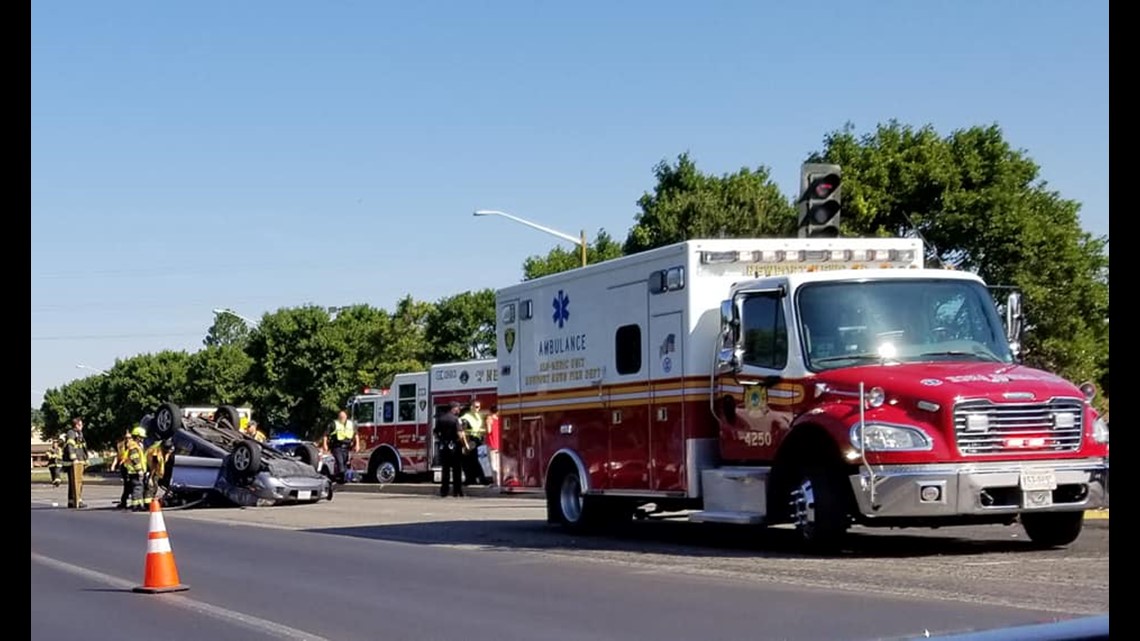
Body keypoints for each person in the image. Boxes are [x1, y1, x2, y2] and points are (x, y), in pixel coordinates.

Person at [434, 401, 466, 497]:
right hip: (455, 447)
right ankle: (457, 491)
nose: (459, 410)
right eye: (458, 408)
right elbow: (460, 434)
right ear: (454, 408)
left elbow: (435, 432)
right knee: (456, 470)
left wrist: (441, 439)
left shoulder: (441, 419)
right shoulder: (456, 419)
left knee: (445, 469)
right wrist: (464, 445)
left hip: (444, 447)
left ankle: (444, 491)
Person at [321, 410, 359, 484]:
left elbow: (356, 435)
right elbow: (325, 435)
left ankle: (341, 479)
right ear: (338, 417)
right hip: (337, 447)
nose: (342, 418)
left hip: (346, 448)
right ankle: (340, 477)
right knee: (340, 463)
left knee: (344, 463)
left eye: (343, 416)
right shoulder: (334, 424)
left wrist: (357, 445)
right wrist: (325, 445)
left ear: (346, 417)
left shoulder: (351, 424)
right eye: (341, 416)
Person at [459, 400, 489, 485]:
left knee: (472, 461)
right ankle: (474, 479)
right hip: (469, 440)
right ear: (471, 407)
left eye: (479, 407)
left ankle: (475, 479)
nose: (477, 409)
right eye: (476, 407)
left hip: (476, 440)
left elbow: (478, 428)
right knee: (469, 461)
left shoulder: (478, 416)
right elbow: (463, 431)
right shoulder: (466, 417)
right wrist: (465, 444)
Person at [62, 417, 89, 509]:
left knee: (78, 482)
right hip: (73, 462)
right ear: (76, 425)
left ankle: (74, 500)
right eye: (80, 425)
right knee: (75, 482)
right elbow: (70, 446)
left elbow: (83, 448)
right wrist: (74, 459)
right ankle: (75, 500)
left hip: (80, 461)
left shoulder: (80, 434)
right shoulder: (71, 433)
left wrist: (86, 459)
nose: (82, 426)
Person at [123, 426, 148, 512]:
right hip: (135, 472)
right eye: (141, 437)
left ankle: (138, 504)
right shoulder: (134, 446)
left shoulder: (135, 445)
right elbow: (135, 459)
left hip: (134, 472)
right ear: (137, 437)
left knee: (139, 488)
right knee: (137, 488)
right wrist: (139, 470)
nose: (142, 439)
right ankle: (136, 505)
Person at [144, 438, 173, 504]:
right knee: (152, 486)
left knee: (155, 485)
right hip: (150, 468)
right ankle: (147, 503)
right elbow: (154, 466)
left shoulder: (167, 448)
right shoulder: (156, 454)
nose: (169, 451)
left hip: (157, 470)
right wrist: (150, 478)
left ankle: (150, 501)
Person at [109, 428, 132, 509]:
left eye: (129, 438)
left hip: (131, 467)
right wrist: (113, 465)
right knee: (127, 484)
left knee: (131, 484)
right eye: (126, 438)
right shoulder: (120, 445)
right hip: (124, 467)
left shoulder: (134, 445)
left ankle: (127, 501)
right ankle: (124, 501)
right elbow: (118, 456)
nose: (128, 439)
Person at [485, 405, 501, 487]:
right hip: (499, 444)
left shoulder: (489, 418)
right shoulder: (499, 419)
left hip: (491, 444)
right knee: (499, 464)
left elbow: (489, 430)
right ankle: (500, 481)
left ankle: (496, 482)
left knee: (493, 464)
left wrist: (486, 424)